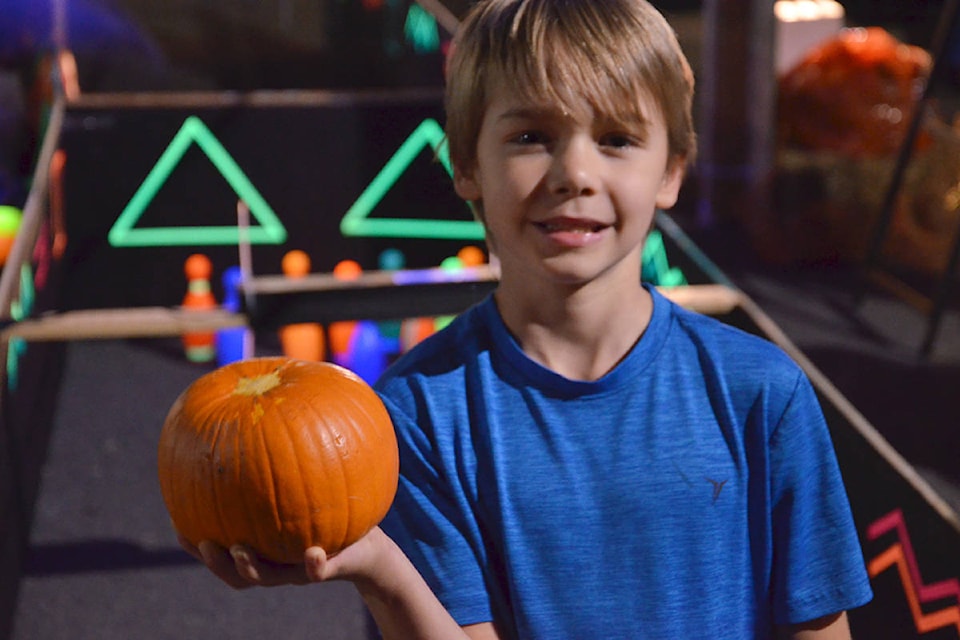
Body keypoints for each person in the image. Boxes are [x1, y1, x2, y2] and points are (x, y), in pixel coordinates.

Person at [183, 1, 873, 637]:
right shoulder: (415, 415)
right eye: (532, 135)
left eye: (616, 137)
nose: (574, 171)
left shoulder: (761, 391)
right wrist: (383, 573)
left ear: (671, 170)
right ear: (466, 164)